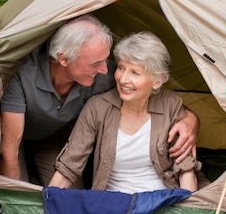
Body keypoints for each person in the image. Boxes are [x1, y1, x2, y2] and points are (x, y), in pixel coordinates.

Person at [0, 16, 199, 185]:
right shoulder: (23, 74)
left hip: (59, 141)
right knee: (19, 189)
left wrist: (190, 120)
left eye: (107, 60)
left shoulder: (108, 76)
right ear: (64, 59)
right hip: (18, 138)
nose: (107, 70)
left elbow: (155, 97)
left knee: (68, 197)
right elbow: (10, 150)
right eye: (96, 64)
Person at [49, 32, 208, 193]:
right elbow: (69, 166)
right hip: (115, 205)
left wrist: (187, 213)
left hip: (163, 202)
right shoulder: (98, 107)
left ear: (157, 81)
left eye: (135, 73)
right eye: (121, 68)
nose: (123, 79)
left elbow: (185, 168)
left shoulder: (169, 103)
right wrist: (48, 203)